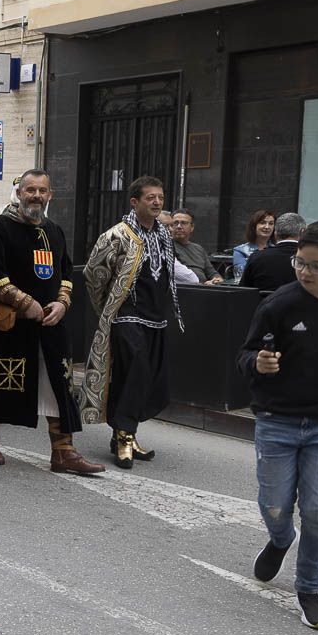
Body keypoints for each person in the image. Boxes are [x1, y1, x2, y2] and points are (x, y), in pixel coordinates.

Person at [0, 169, 104, 475]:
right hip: (11, 325)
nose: (36, 196)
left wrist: (62, 302)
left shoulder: (55, 231)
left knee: (58, 384)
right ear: (19, 193)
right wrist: (25, 303)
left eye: (42, 191)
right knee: (0, 380)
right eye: (30, 190)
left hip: (50, 325)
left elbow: (64, 275)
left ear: (50, 195)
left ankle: (63, 452)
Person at [238, 221, 318, 629]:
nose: (305, 272)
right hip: (277, 422)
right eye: (300, 262)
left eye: (316, 266)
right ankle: (280, 538)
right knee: (275, 506)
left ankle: (308, 587)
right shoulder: (279, 305)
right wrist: (258, 362)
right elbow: (246, 353)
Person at [80, 176, 182, 469]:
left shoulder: (163, 235)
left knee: (150, 378)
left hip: (156, 318)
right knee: (133, 373)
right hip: (126, 315)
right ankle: (123, 435)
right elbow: (93, 274)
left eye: (160, 198)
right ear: (134, 202)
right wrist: (107, 310)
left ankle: (126, 432)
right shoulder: (117, 235)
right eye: (150, 197)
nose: (157, 202)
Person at [242, 213, 307, 293]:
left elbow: (243, 290)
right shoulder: (311, 259)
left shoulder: (256, 257)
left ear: (275, 234)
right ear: (303, 232)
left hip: (263, 304)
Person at [169, 209, 222, 284]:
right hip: (184, 289)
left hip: (206, 289)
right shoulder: (167, 246)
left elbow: (212, 273)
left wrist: (217, 280)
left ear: (192, 227)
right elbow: (177, 276)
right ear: (170, 226)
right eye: (175, 223)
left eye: (183, 223)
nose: (179, 226)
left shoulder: (198, 248)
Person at [233, 209, 276, 282]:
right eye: (263, 223)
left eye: (271, 223)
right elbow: (242, 275)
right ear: (254, 226)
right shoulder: (240, 251)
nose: (267, 227)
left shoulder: (277, 249)